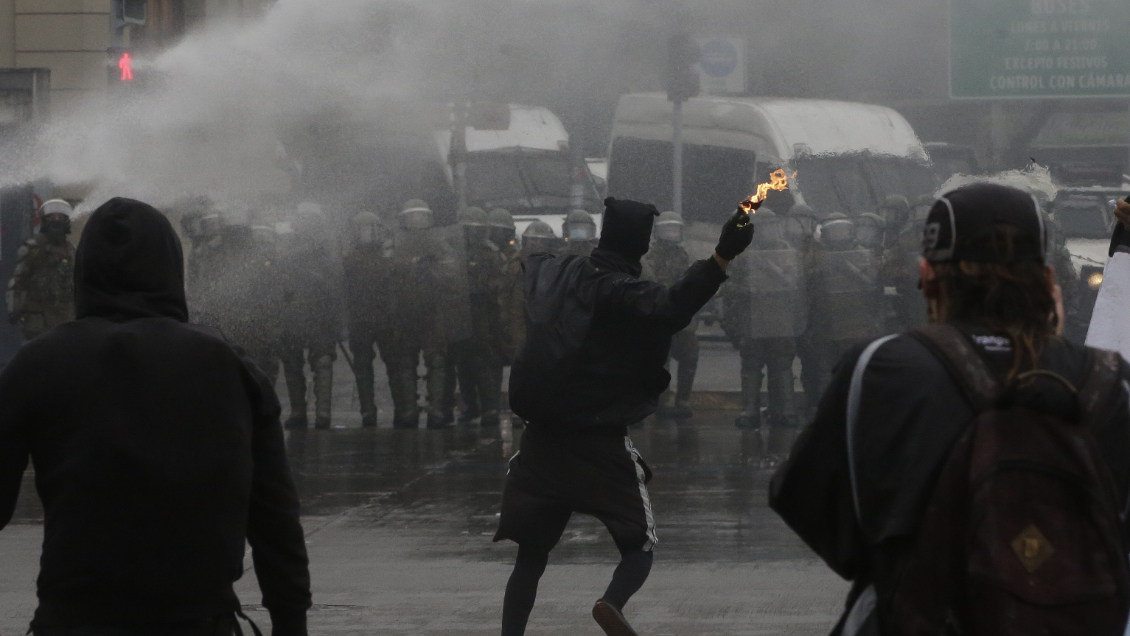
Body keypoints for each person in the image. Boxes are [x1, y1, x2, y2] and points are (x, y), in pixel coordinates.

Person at [771, 184, 1130, 636]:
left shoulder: (882, 368)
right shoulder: (1109, 381)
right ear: (1047, 278)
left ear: (929, 275)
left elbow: (810, 505)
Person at [0, 198, 311, 636]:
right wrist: (291, 620)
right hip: (198, 620)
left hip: (74, 620)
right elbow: (274, 514)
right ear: (170, 264)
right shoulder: (224, 362)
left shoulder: (38, 363)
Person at [495, 197, 755, 636]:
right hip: (597, 439)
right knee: (638, 544)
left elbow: (534, 265)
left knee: (531, 554)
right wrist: (722, 255)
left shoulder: (557, 271)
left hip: (540, 438)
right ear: (639, 245)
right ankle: (610, 603)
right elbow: (674, 306)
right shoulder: (619, 290)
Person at [722, 208, 806, 447]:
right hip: (752, 318)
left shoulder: (788, 253)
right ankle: (749, 410)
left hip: (781, 318)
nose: (769, 231)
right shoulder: (742, 255)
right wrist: (743, 297)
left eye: (772, 226)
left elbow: (798, 287)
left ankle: (785, 410)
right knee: (751, 365)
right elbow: (729, 288)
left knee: (781, 365)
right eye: (764, 227)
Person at [277, 203, 342, 430]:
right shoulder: (289, 247)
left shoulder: (328, 247)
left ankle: (323, 414)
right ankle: (298, 411)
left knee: (323, 362)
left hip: (320, 313)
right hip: (294, 312)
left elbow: (337, 280)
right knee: (292, 363)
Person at [386, 199, 451, 429]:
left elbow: (449, 274)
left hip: (432, 312)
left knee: (436, 363)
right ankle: (408, 412)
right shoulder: (395, 243)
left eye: (420, 217)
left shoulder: (438, 242)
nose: (416, 221)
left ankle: (434, 412)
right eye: (413, 217)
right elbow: (388, 279)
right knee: (405, 363)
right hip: (405, 313)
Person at [806, 212, 883, 399]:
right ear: (824, 234)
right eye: (834, 232)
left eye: (842, 230)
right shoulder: (817, 258)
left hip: (856, 322)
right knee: (825, 370)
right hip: (827, 323)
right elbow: (808, 288)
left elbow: (873, 286)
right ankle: (826, 409)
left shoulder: (863, 256)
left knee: (856, 368)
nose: (838, 236)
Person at [642, 211, 700, 420]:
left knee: (691, 355)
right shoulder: (649, 258)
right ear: (658, 232)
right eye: (667, 228)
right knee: (661, 362)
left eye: (675, 228)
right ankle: (662, 402)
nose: (671, 233)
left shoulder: (685, 256)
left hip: (682, 320)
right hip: (659, 320)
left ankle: (683, 400)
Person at [343, 211, 396, 428]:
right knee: (368, 367)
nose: (370, 234)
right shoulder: (351, 260)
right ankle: (371, 410)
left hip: (376, 319)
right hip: (366, 320)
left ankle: (385, 411)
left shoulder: (352, 260)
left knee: (391, 365)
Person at [6, 199, 76, 341]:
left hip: (66, 315)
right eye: (52, 216)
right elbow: (18, 280)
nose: (56, 220)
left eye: (60, 217)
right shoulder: (33, 248)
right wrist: (14, 309)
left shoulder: (71, 250)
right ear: (44, 220)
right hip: (39, 317)